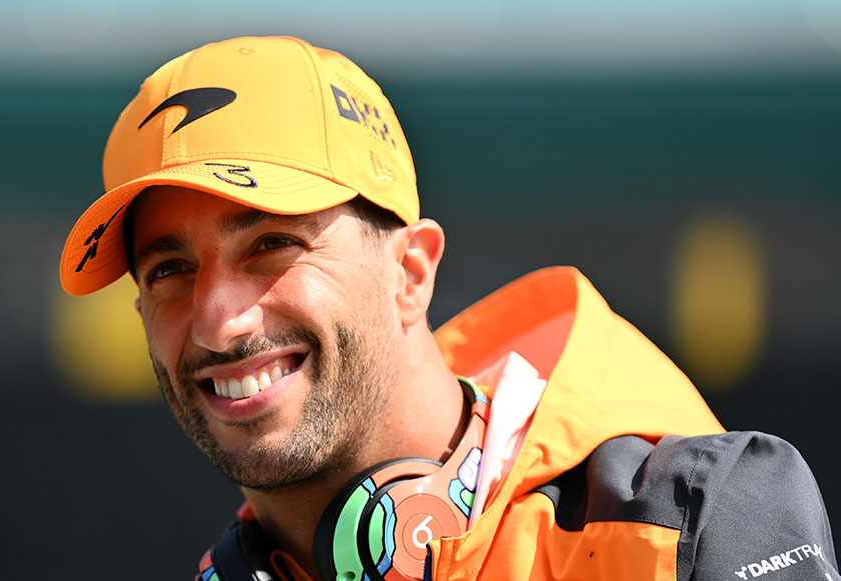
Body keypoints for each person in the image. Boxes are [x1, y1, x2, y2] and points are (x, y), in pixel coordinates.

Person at [59, 36, 837, 581]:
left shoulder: (692, 521)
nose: (219, 319)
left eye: (271, 245)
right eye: (170, 269)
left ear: (411, 272)